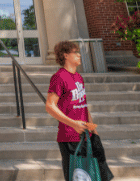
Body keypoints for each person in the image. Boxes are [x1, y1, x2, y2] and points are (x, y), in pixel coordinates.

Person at [46, 41, 113, 181]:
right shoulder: (59, 77)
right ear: (65, 55)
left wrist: (93, 129)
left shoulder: (78, 77)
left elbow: (83, 105)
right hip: (69, 136)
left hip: (86, 135)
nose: (79, 55)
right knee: (77, 176)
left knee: (93, 175)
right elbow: (50, 106)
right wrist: (73, 124)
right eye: (75, 52)